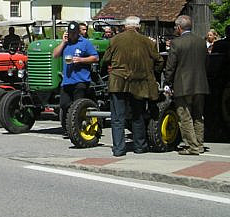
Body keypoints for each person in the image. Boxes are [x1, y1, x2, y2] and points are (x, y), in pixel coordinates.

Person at [102, 16, 163, 156]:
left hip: (117, 82)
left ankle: (119, 149)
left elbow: (105, 59)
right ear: (138, 27)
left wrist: (108, 69)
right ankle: (140, 146)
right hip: (139, 82)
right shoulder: (147, 41)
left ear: (125, 26)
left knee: (118, 118)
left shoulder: (114, 40)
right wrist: (153, 72)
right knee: (138, 115)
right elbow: (159, 61)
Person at [164, 15, 209, 155]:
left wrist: (167, 82)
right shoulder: (201, 42)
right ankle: (199, 144)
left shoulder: (176, 43)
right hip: (200, 84)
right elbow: (206, 63)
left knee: (185, 117)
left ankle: (192, 146)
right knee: (198, 116)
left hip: (183, 84)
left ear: (179, 27)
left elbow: (171, 66)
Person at [52, 21, 99, 135]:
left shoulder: (85, 43)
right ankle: (68, 128)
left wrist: (81, 60)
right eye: (70, 33)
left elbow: (95, 57)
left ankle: (78, 129)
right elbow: (55, 55)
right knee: (64, 104)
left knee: (78, 106)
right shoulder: (66, 43)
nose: (72, 35)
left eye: (74, 33)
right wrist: (63, 42)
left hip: (81, 80)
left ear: (78, 32)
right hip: (67, 80)